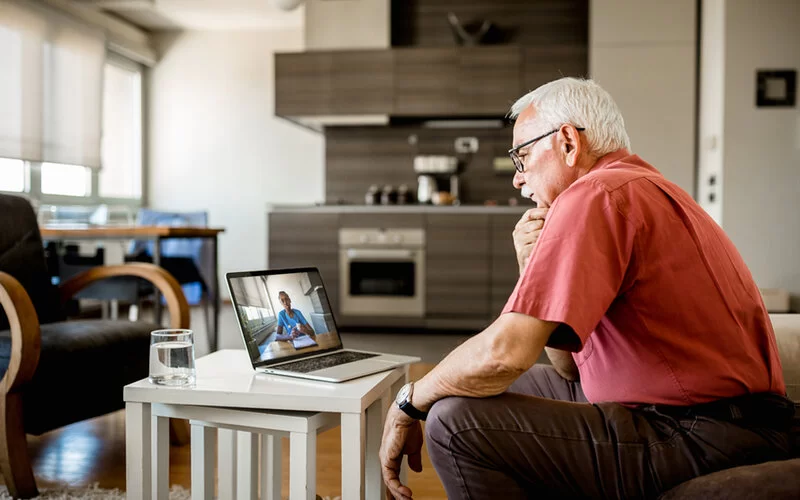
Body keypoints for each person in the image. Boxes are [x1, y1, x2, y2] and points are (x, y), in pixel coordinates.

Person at [379, 77, 794, 499]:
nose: (517, 180)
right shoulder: (637, 185)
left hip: (698, 431)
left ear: (567, 143)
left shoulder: (595, 194)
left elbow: (505, 355)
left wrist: (408, 402)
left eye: (521, 157)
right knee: (490, 391)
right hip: (718, 419)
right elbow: (569, 369)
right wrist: (534, 270)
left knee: (454, 422)